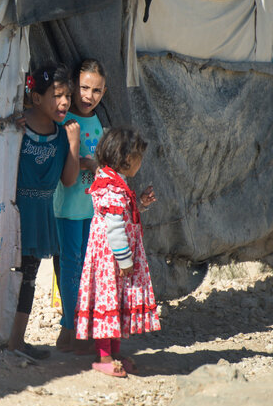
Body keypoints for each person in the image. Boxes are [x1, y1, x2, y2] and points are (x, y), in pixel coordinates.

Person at [76, 127, 161, 377]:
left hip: (114, 261)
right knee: (107, 301)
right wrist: (124, 259)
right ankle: (104, 356)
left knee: (114, 302)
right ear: (125, 159)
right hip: (111, 262)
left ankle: (112, 352)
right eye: (138, 158)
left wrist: (141, 204)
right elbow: (114, 228)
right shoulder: (111, 188)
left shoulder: (115, 183)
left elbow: (124, 216)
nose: (140, 163)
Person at [9, 63, 80, 360]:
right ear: (36, 97)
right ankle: (1, 337)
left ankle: (16, 340)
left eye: (68, 96)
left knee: (29, 275)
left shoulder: (62, 135)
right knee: (7, 274)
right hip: (14, 212)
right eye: (57, 95)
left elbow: (68, 179)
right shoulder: (18, 126)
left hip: (40, 215)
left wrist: (74, 144)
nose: (64, 102)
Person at [52, 59, 107, 354]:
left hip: (90, 209)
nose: (89, 95)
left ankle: (76, 327)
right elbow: (60, 159)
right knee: (72, 268)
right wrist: (89, 163)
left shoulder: (97, 122)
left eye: (96, 90)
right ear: (74, 86)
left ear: (104, 91)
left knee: (86, 269)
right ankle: (71, 328)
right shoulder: (65, 119)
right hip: (67, 208)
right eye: (84, 87)